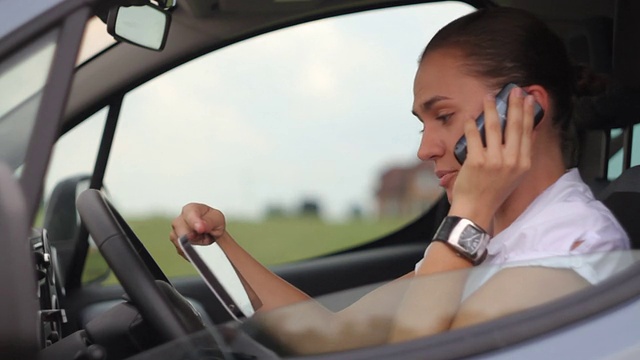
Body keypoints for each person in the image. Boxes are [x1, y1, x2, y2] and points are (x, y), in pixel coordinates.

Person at [170, 6, 630, 351]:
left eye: (444, 116)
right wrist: (220, 244)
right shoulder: (491, 237)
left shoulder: (568, 253)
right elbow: (328, 334)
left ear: (525, 109)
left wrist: (467, 215)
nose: (424, 148)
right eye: (422, 124)